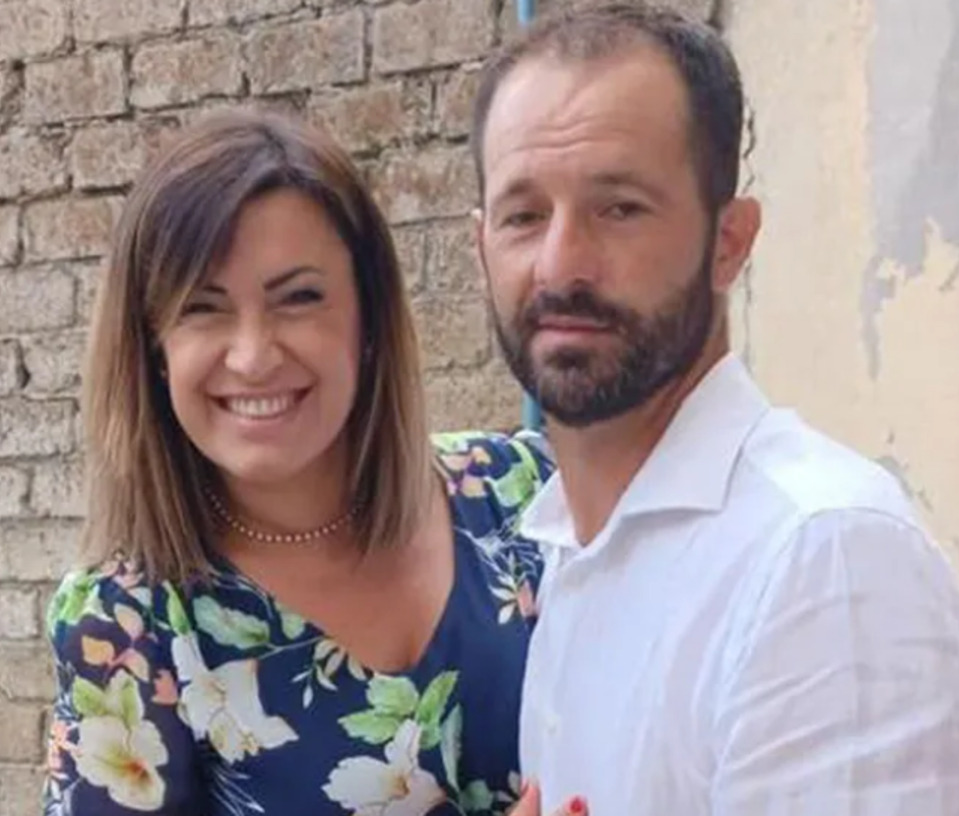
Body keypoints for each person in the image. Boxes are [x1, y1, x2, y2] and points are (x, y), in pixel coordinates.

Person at [471, 3, 959, 815]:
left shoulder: (823, 561)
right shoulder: (575, 549)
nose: (561, 264)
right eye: (524, 215)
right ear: (481, 247)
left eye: (619, 207)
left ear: (730, 242)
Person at [42, 109, 568, 815]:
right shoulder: (128, 623)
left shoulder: (524, 492)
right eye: (202, 307)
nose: (253, 356)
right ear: (154, 348)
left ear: (368, 318)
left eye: (298, 299)